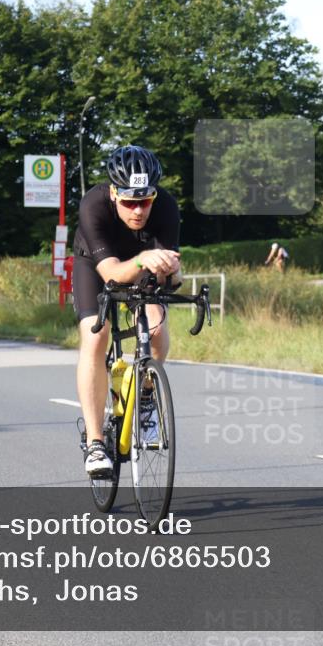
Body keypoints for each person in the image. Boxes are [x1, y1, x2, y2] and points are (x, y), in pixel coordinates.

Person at [72, 145, 181, 477]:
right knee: (97, 334)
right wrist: (143, 260)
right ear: (114, 193)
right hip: (97, 264)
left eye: (145, 201)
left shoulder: (166, 207)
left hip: (141, 263)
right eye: (130, 202)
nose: (138, 211)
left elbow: (167, 275)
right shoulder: (93, 204)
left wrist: (172, 272)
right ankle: (94, 443)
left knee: (158, 328)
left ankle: (144, 403)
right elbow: (112, 276)